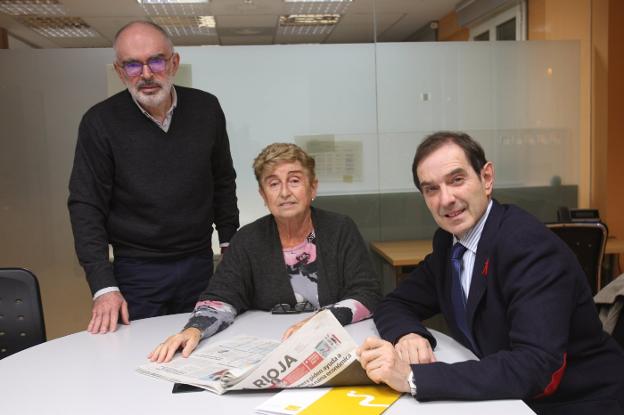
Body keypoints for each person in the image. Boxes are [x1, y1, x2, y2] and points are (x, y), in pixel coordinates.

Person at [358, 131, 624, 414]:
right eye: (431, 189)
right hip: (506, 396)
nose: (445, 199)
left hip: (575, 401)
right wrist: (407, 334)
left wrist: (412, 377)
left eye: (456, 180)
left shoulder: (528, 247)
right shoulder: (450, 243)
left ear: (486, 178)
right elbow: (395, 303)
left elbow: (533, 367)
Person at [68, 21, 238, 334]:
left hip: (201, 264)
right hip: (136, 272)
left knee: (205, 348)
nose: (146, 74)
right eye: (132, 65)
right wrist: (103, 286)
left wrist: (230, 243)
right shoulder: (99, 122)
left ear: (174, 63)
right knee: (139, 359)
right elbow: (85, 206)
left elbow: (223, 181)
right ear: (120, 71)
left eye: (155, 60)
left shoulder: (206, 108)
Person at [149, 143, 381, 363]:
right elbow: (221, 297)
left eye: (294, 181)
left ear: (313, 188)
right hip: (273, 348)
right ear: (263, 195)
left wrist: (321, 321)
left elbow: (367, 294)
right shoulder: (248, 239)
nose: (284, 192)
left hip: (336, 345)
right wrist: (194, 329)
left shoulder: (339, 229)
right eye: (273, 184)